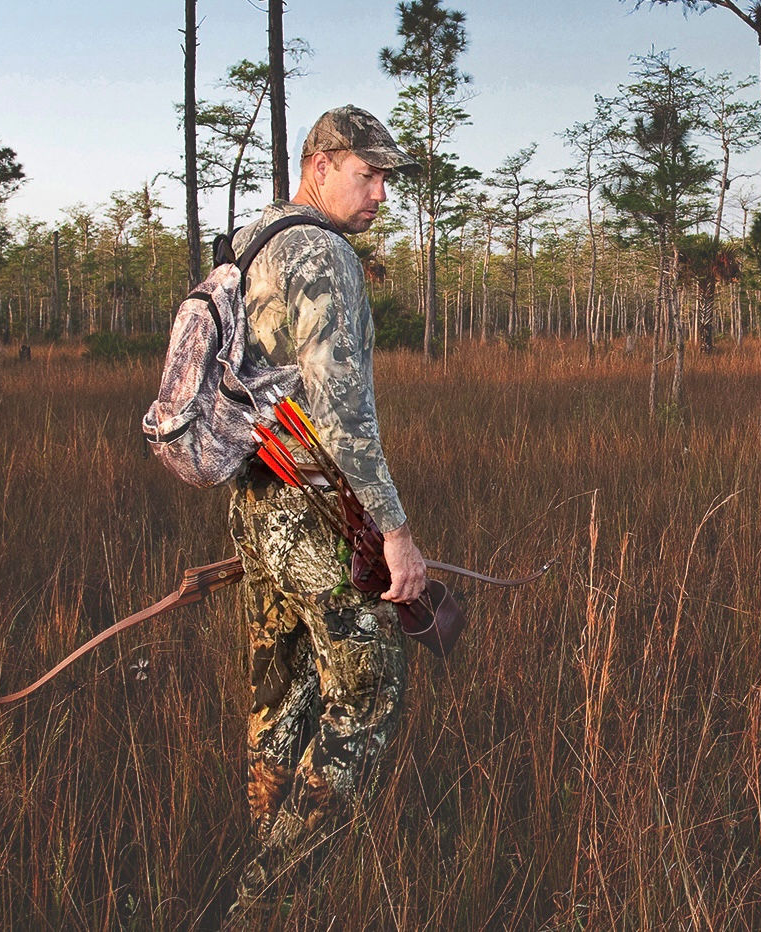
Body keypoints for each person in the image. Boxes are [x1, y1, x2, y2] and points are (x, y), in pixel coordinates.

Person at [224, 105, 426, 924]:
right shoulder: (323, 254)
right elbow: (342, 413)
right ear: (319, 163)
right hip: (313, 509)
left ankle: (271, 879)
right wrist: (395, 531)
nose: (381, 193)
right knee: (373, 690)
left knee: (282, 693)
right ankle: (258, 902)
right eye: (366, 174)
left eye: (386, 178)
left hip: (256, 503)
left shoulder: (255, 245)